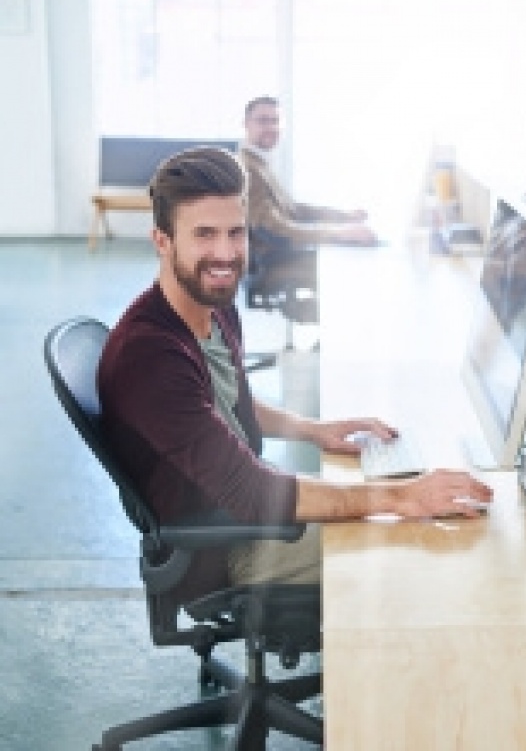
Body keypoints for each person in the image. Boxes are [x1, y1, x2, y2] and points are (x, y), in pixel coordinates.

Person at [98, 147, 491, 602]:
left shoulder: (209, 303)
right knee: (422, 541)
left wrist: (313, 430)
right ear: (162, 241)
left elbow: (221, 398)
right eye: (204, 235)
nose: (225, 253)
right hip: (223, 548)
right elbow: (250, 490)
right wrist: (399, 497)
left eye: (235, 233)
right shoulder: (149, 357)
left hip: (241, 507)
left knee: (400, 513)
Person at [240, 95, 378, 246]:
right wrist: (336, 234)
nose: (271, 128)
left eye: (275, 121)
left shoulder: (260, 163)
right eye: (263, 121)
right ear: (246, 124)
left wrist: (344, 217)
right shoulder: (248, 168)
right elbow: (272, 228)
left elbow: (293, 210)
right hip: (273, 262)